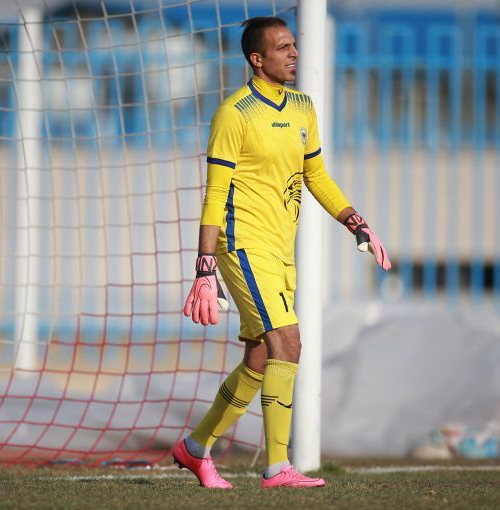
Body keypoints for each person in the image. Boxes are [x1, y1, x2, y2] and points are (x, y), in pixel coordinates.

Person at [173, 16, 391, 489]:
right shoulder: (234, 113)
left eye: (294, 45)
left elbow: (317, 176)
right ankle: (277, 467)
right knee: (288, 343)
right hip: (242, 245)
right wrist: (205, 267)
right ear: (257, 58)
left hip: (279, 248)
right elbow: (215, 193)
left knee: (259, 357)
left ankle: (194, 448)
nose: (294, 54)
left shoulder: (303, 106)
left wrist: (356, 222)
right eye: (282, 48)